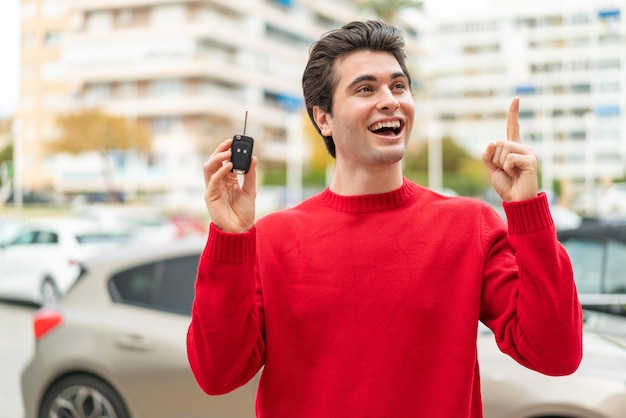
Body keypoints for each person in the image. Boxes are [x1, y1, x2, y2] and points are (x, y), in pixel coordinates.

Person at [187, 20, 583, 417]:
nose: (390, 100)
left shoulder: (470, 226)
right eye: (365, 88)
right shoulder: (270, 238)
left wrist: (527, 213)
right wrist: (230, 235)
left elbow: (556, 354)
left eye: (398, 86)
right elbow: (217, 375)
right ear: (323, 118)